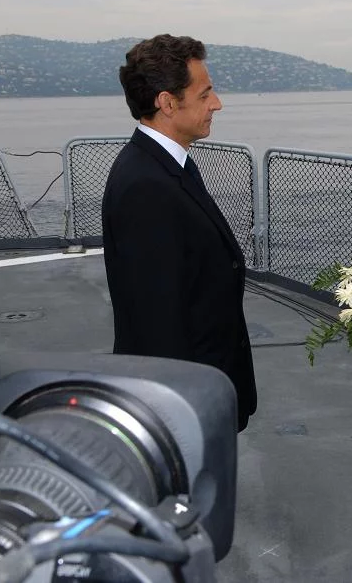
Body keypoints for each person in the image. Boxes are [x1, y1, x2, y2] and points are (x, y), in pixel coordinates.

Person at [102, 34, 257, 432]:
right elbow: (156, 320)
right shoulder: (146, 185)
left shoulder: (166, 166)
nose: (216, 103)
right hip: (183, 405)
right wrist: (182, 418)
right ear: (168, 103)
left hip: (198, 391)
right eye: (205, 94)